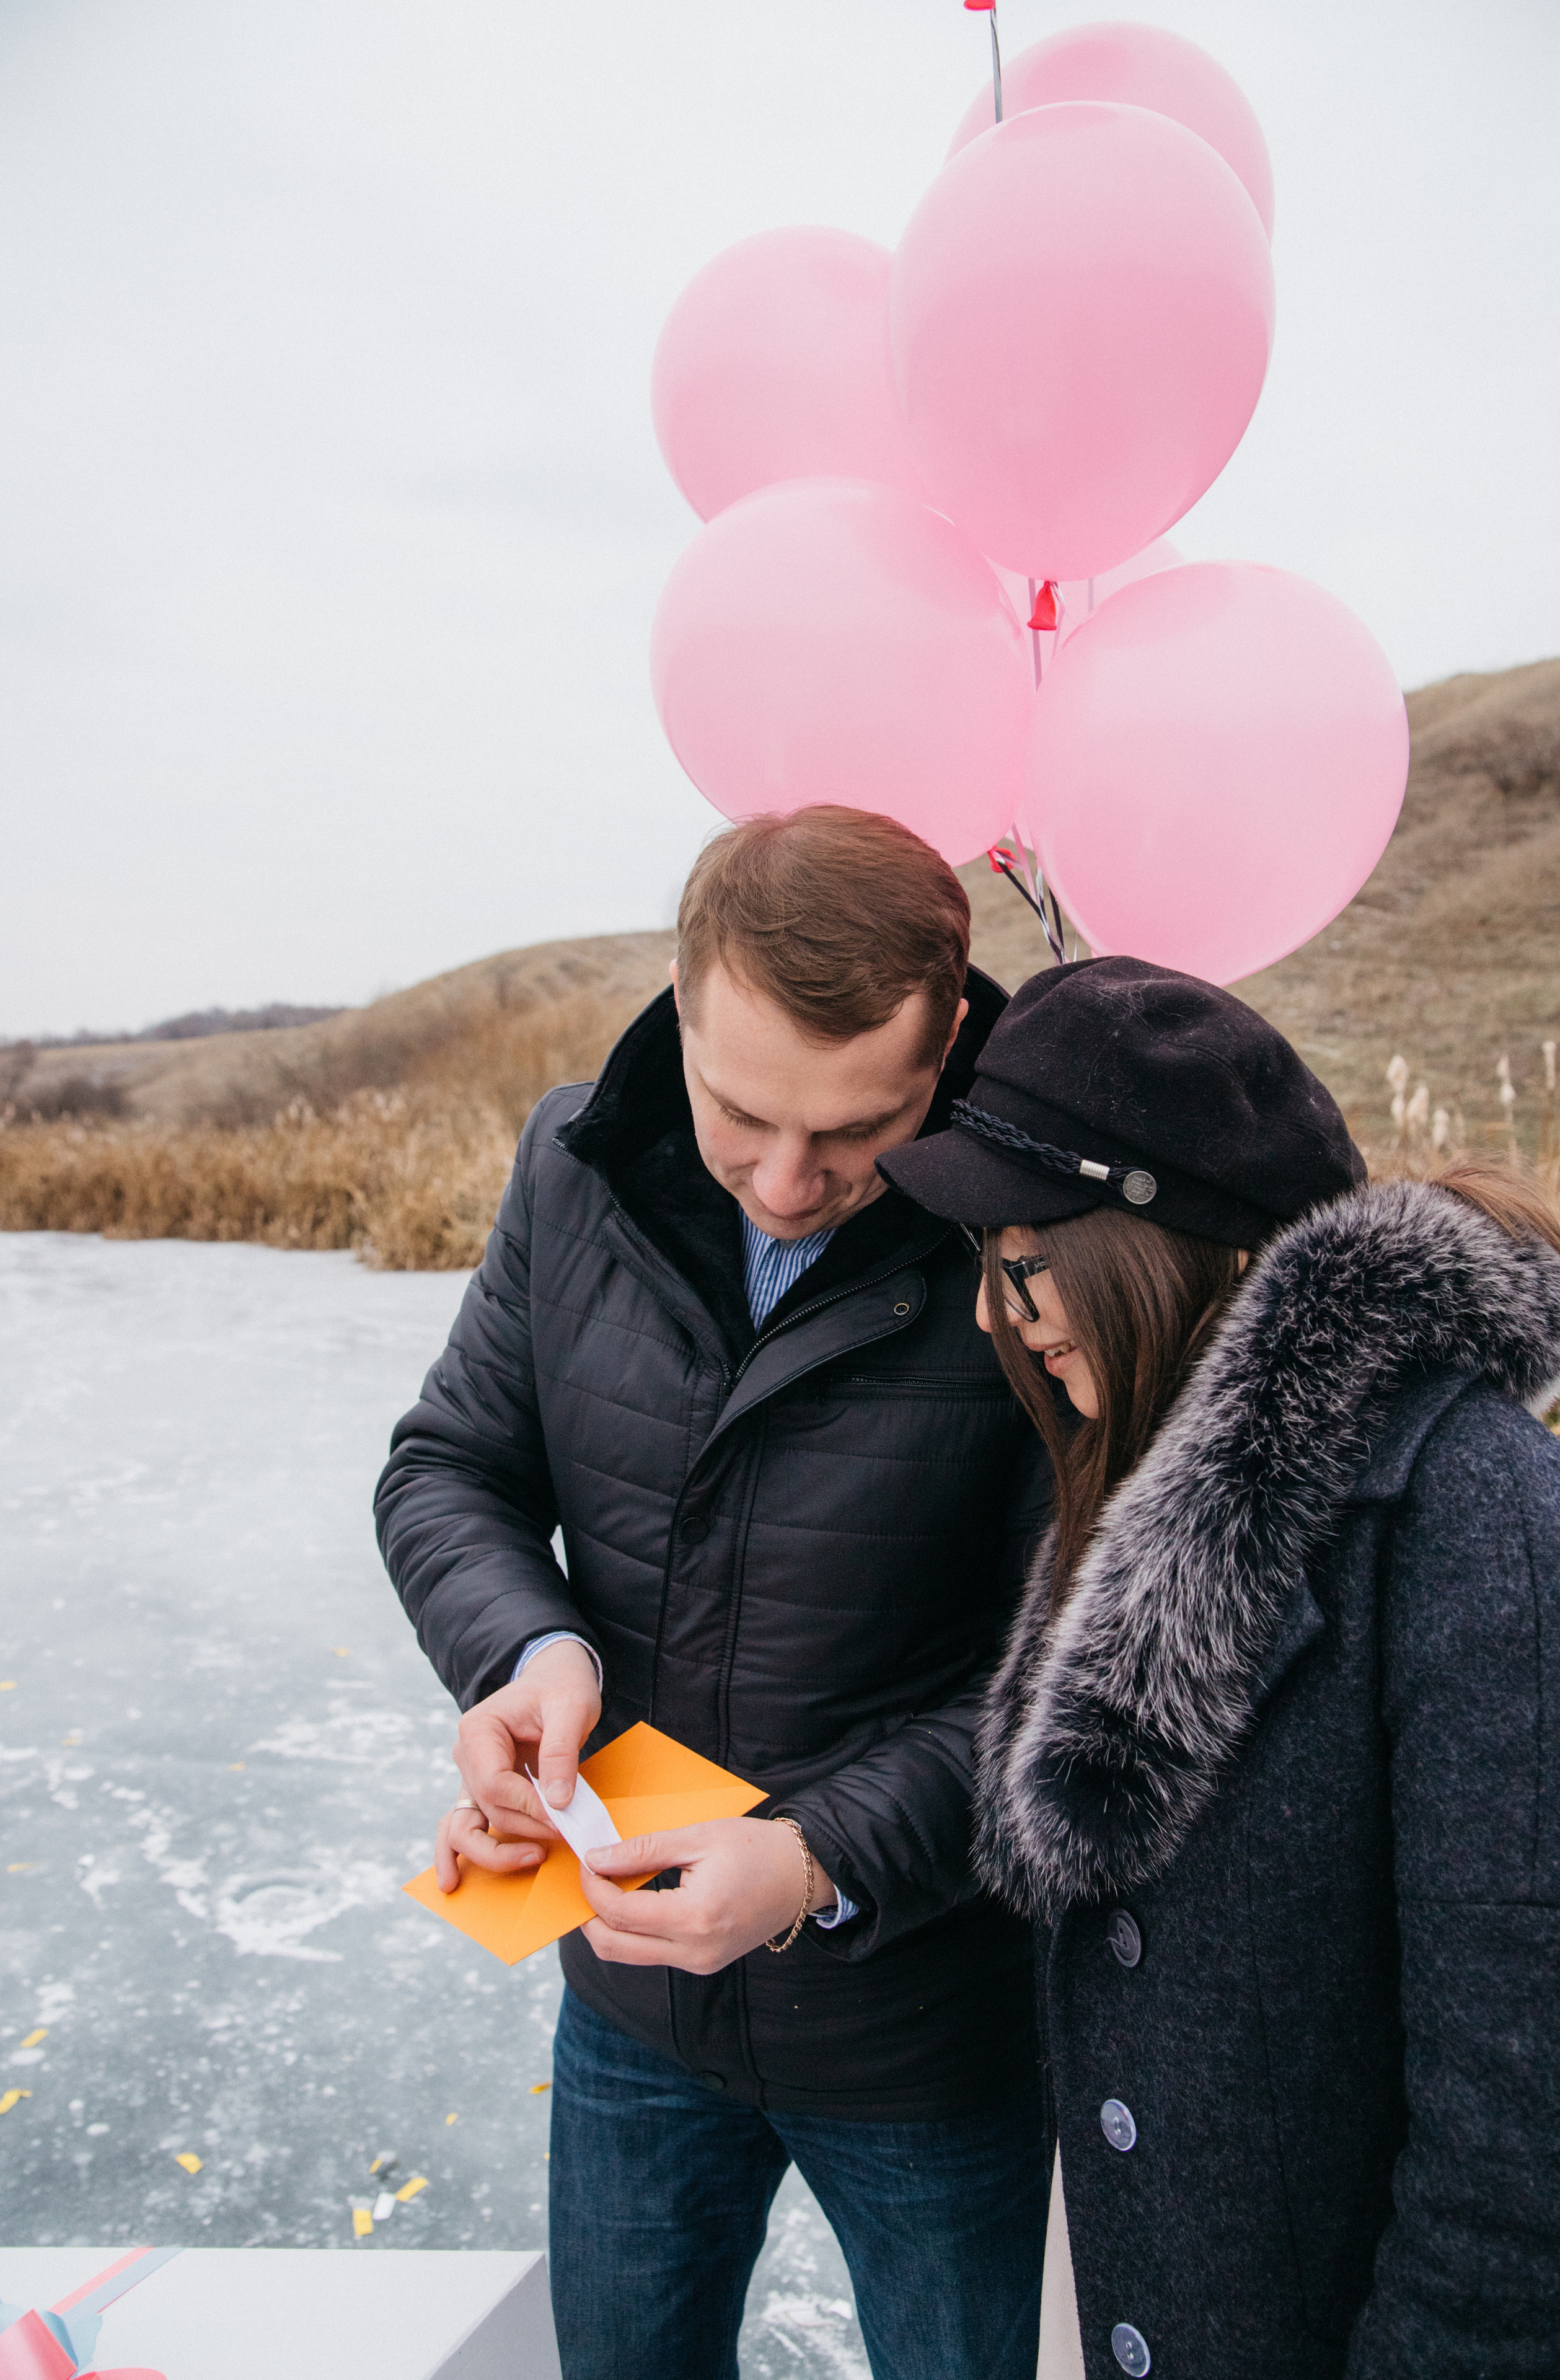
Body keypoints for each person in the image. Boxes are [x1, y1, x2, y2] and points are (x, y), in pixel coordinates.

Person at [375, 806, 1053, 2380]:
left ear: (946, 1040)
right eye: (739, 1112)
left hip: (931, 2040)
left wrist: (817, 1861)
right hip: (628, 2010)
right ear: (680, 1003)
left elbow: (1070, 1674)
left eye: (857, 1129)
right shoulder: (570, 1162)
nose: (788, 1177)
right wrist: (524, 1650)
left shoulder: (1043, 1239)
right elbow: (447, 1469)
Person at [879, 956, 1560, 2379]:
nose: (989, 1315)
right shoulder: (1133, 1473)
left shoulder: (1473, 1520)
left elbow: (1527, 2145)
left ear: (1147, 1240)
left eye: (1015, 1260)